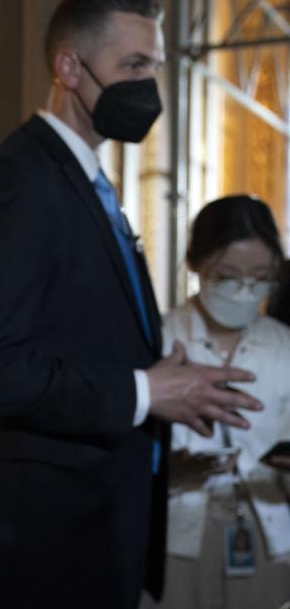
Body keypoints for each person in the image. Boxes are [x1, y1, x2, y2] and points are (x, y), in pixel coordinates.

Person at [0, 0, 263, 609]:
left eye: (156, 67)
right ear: (69, 67)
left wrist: (162, 380)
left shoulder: (87, 179)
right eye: (134, 67)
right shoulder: (17, 182)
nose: (150, 87)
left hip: (102, 532)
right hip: (44, 546)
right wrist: (146, 392)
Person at [154, 195, 290, 608]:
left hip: (269, 528)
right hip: (176, 532)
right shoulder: (157, 338)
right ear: (196, 266)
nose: (245, 291)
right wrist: (167, 468)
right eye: (228, 276)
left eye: (261, 278)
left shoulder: (283, 344)